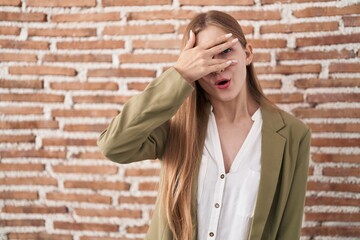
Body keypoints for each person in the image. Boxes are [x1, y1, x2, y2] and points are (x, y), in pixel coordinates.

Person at [97, 10, 311, 240]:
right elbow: (113, 145)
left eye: (225, 50)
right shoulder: (175, 125)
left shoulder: (293, 135)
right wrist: (179, 74)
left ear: (248, 54)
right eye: (204, 58)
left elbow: (288, 231)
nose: (218, 67)